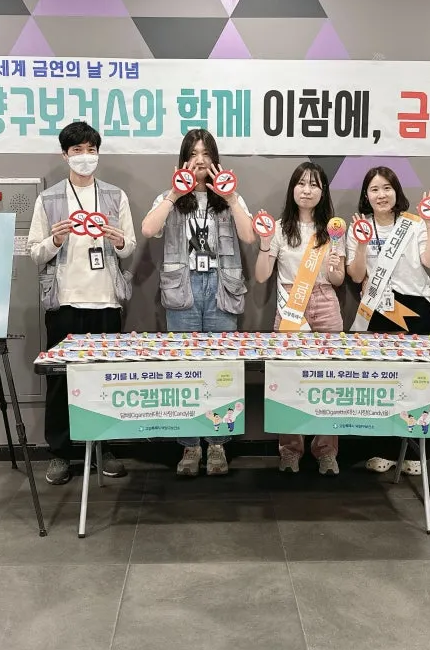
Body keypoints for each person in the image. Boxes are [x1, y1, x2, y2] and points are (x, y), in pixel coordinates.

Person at [28, 121, 136, 485]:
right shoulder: (49, 199)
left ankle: (106, 448)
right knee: (60, 381)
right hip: (65, 303)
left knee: (107, 378)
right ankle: (60, 453)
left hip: (106, 301)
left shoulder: (116, 196)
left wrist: (118, 242)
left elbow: (130, 247)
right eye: (77, 151)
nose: (85, 157)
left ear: (98, 154)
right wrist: (55, 241)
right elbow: (34, 252)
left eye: (91, 150)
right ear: (65, 155)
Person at [142, 128, 254, 477]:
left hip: (222, 287)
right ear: (183, 159)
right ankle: (190, 445)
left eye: (206, 153)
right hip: (183, 287)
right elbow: (148, 230)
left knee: (222, 369)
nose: (200, 160)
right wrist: (175, 193)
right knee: (185, 369)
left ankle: (217, 443)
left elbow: (250, 236)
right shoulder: (171, 196)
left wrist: (231, 198)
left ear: (215, 158)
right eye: (193, 153)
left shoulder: (229, 197)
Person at [346, 166, 430, 476]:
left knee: (418, 380)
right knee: (382, 382)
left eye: (387, 188)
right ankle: (383, 448)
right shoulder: (359, 227)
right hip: (378, 310)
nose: (381, 194)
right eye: (374, 189)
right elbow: (356, 276)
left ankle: (417, 449)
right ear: (366, 195)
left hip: (415, 308)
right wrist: (362, 244)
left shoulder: (414, 224)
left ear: (396, 191)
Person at [254, 162, 345, 476]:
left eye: (314, 184)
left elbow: (338, 279)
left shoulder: (333, 229)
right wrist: (265, 243)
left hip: (325, 302)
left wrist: (336, 266)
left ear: (323, 191)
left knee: (330, 379)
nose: (307, 190)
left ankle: (326, 451)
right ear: (292, 189)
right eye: (301, 183)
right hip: (291, 304)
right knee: (288, 379)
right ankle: (290, 450)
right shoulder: (280, 228)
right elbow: (261, 275)